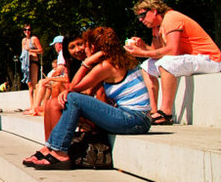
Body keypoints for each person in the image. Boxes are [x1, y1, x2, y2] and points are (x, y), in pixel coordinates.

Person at [24, 27, 151, 169]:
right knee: (58, 102)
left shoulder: (106, 65)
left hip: (134, 119)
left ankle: (58, 152)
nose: (82, 49)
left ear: (92, 47)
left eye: (85, 45)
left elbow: (73, 88)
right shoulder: (115, 60)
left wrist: (87, 62)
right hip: (136, 118)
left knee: (72, 98)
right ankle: (51, 149)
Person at [125, 0, 221, 125]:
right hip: (193, 59)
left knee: (166, 63)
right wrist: (143, 46)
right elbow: (157, 52)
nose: (141, 19)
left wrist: (142, 52)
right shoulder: (156, 27)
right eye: (138, 17)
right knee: (146, 66)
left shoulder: (171, 18)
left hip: (210, 59)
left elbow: (172, 51)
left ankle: (165, 113)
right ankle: (152, 111)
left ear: (154, 11)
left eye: (143, 15)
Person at [24, 35, 69, 116]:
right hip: (64, 80)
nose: (54, 47)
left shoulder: (62, 53)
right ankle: (37, 108)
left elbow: (59, 70)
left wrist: (50, 78)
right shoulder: (64, 53)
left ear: (59, 45)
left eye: (54, 45)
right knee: (43, 85)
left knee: (42, 82)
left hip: (64, 80)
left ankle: (35, 108)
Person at [21, 24, 44, 103]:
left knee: (34, 85)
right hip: (26, 64)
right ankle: (31, 105)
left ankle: (35, 105)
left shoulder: (34, 39)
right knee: (29, 84)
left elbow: (41, 50)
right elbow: (22, 53)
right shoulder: (23, 41)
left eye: (29, 29)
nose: (27, 31)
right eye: (25, 30)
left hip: (33, 62)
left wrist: (31, 50)